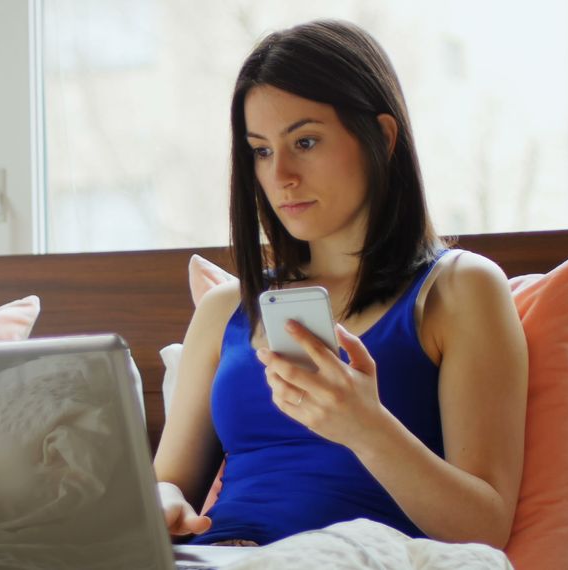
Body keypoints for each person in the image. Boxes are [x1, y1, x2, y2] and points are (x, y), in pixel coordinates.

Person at [153, 19, 528, 549]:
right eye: (260, 150)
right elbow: (169, 481)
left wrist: (365, 426)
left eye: (304, 141)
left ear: (383, 135)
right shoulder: (224, 309)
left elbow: (485, 529)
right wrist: (162, 503)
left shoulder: (459, 289)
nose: (280, 173)